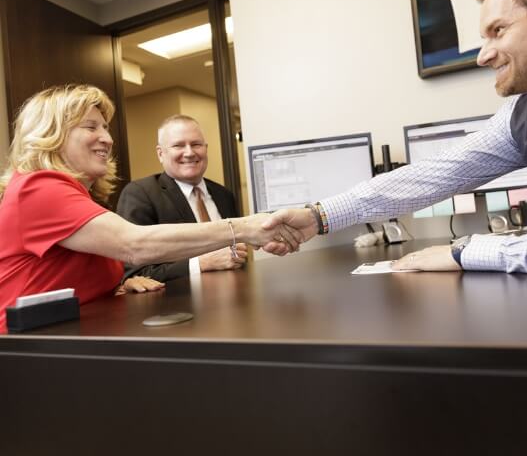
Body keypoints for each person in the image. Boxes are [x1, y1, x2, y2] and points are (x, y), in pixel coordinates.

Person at [263, 0, 527, 275]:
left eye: (498, 31)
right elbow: (437, 173)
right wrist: (320, 216)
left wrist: (464, 250)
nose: (484, 56)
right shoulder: (526, 111)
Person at [0, 84, 301, 332]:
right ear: (50, 134)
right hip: (22, 352)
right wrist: (246, 228)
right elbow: (134, 245)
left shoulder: (69, 195)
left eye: (106, 127)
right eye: (91, 126)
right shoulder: (37, 188)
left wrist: (119, 285)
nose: (107, 138)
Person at [117, 115, 246, 282]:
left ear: (206, 148)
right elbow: (134, 273)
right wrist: (201, 264)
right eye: (178, 145)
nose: (189, 152)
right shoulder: (141, 194)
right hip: (178, 305)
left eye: (196, 144)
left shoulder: (224, 195)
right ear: (160, 153)